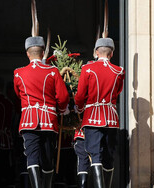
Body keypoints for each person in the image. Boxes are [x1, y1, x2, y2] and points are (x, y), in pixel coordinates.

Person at [13, 36, 69, 188]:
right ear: (43, 52)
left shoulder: (19, 73)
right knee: (47, 158)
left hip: (28, 120)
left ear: (27, 53)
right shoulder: (52, 71)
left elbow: (18, 94)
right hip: (49, 121)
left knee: (31, 157)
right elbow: (63, 97)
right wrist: (63, 110)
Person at [75, 38, 125, 188]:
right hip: (111, 117)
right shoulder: (119, 70)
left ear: (97, 52)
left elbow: (80, 95)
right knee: (109, 157)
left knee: (95, 155)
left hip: (92, 116)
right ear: (111, 53)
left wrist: (78, 107)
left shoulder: (87, 69)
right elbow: (118, 91)